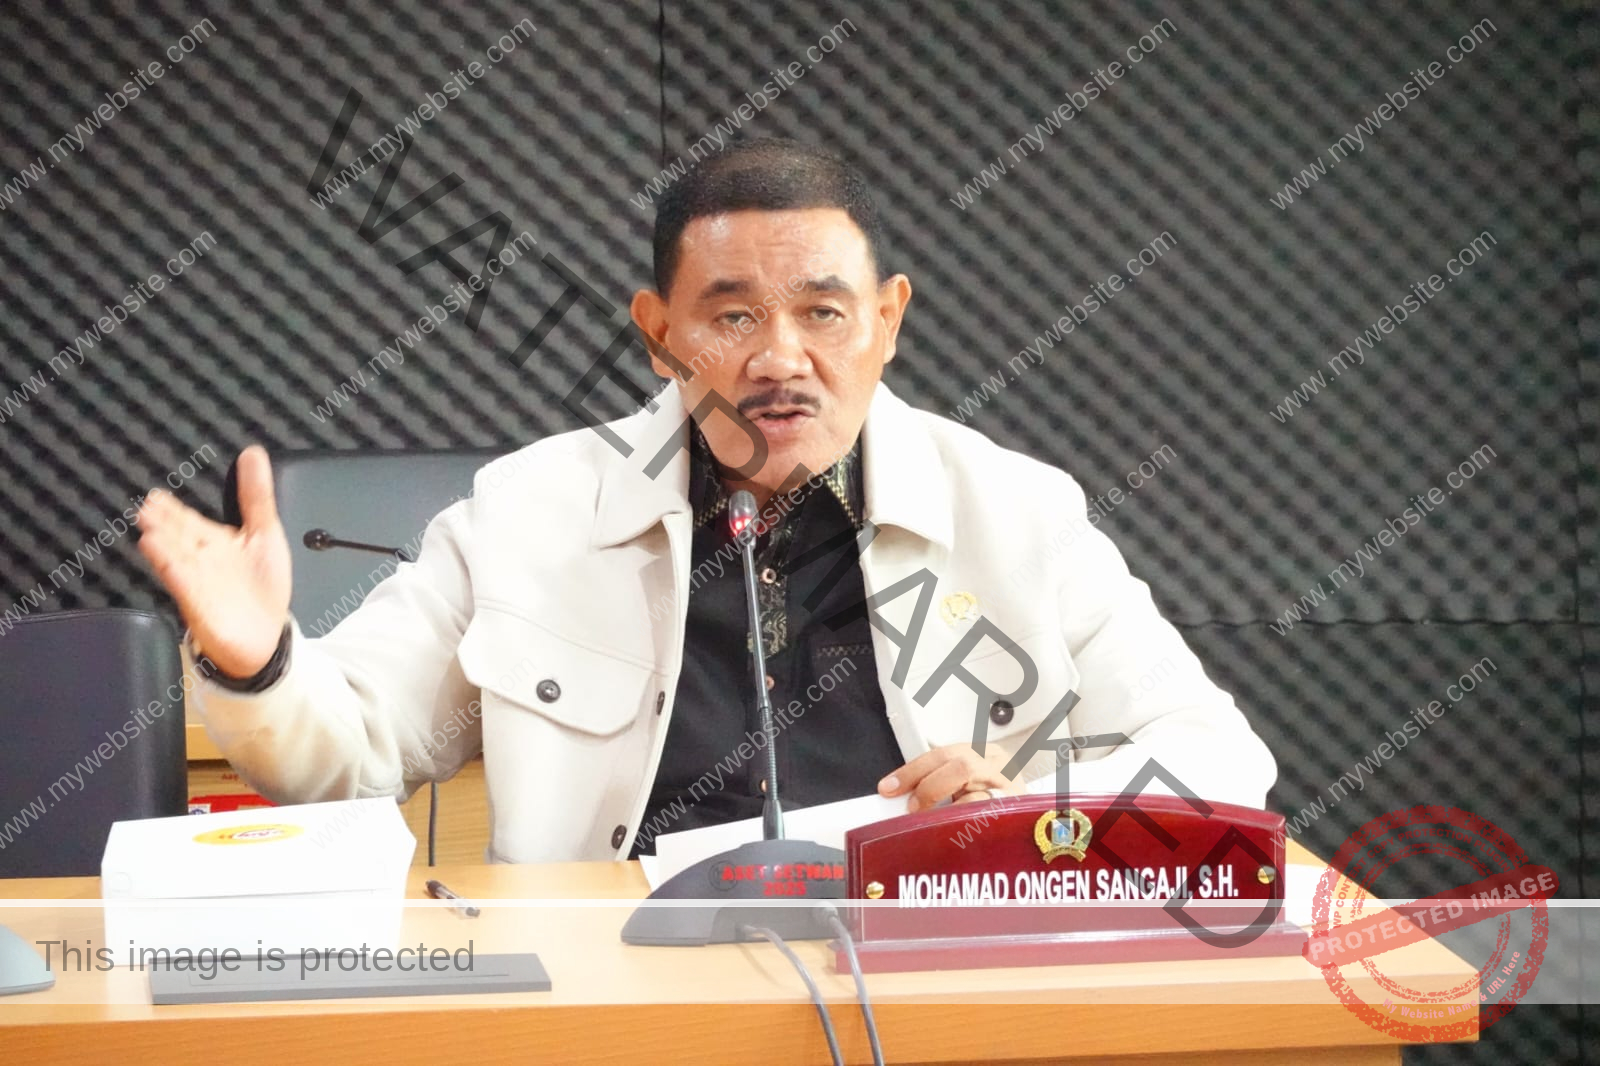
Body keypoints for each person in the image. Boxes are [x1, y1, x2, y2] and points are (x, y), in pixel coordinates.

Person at [136, 138, 1274, 864]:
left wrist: (1030, 811)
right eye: (732, 316)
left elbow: (1220, 759)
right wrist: (257, 661)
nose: (780, 359)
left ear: (886, 320)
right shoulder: (525, 513)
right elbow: (352, 748)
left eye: (823, 313)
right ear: (658, 333)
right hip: (618, 995)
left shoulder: (1018, 512)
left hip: (924, 975)